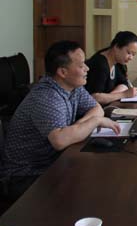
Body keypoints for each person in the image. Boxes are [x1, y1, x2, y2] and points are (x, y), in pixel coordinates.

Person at [0, 41, 120, 201]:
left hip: (52, 163)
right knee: (92, 191)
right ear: (63, 72)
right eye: (81, 65)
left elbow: (96, 108)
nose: (87, 68)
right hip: (24, 176)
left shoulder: (73, 87)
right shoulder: (47, 96)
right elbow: (60, 140)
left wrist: (75, 129)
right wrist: (94, 122)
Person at [85, 31, 137, 105]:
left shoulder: (119, 62)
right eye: (128, 53)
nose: (131, 58)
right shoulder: (100, 64)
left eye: (133, 54)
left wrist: (112, 96)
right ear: (116, 47)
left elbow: (123, 82)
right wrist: (123, 94)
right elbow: (94, 97)